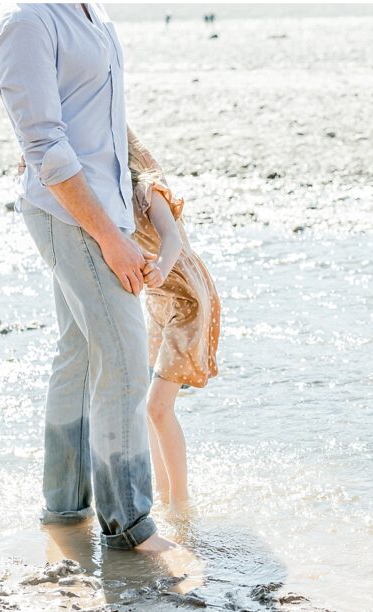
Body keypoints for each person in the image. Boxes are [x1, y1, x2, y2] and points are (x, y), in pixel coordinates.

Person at [0, 3, 174, 552]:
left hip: (103, 209)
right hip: (73, 215)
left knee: (79, 351)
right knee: (122, 357)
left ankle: (66, 508)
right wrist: (111, 239)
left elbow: (101, 117)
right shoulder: (26, 19)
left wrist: (139, 210)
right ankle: (132, 526)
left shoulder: (94, 14)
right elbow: (43, 143)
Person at [128, 137, 221, 513]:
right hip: (158, 301)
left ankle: (181, 506)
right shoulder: (104, 197)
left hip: (188, 299)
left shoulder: (147, 190)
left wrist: (160, 269)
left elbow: (170, 239)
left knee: (157, 406)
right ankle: (165, 497)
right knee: (150, 407)